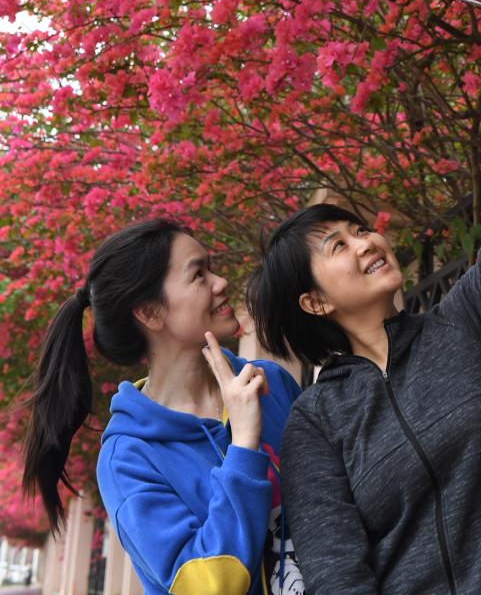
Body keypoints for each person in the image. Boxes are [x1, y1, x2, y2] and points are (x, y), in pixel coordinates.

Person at [246, 3, 481, 595]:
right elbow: (337, 575)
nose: (366, 243)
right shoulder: (318, 422)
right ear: (314, 303)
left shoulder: (468, 326)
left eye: (360, 229)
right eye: (338, 245)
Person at [22, 219, 305, 595]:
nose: (221, 282)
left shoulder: (270, 382)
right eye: (198, 274)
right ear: (150, 312)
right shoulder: (128, 458)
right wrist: (243, 446)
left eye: (211, 268)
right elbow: (210, 587)